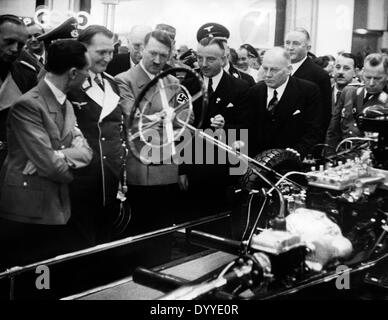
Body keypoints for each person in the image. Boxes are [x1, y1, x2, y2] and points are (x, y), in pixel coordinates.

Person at [0, 39, 93, 268]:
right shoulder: (28, 105)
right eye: (86, 70)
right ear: (73, 73)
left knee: (47, 277)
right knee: (32, 278)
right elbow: (51, 166)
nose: (88, 75)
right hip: (28, 212)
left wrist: (59, 156)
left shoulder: (66, 104)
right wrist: (68, 163)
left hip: (54, 206)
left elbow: (87, 152)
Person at [67, 25, 125, 247]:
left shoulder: (110, 83)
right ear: (83, 50)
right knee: (78, 246)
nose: (108, 58)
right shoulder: (69, 83)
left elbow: (116, 130)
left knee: (103, 242)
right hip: (79, 182)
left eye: (111, 51)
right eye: (102, 52)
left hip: (109, 180)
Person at [247, 47, 323, 158]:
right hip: (259, 162)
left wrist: (296, 152)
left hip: (292, 162)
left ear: (289, 69)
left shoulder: (307, 91)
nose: (267, 74)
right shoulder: (255, 92)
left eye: (274, 70)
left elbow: (314, 129)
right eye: (265, 68)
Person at [326, 53, 388, 152]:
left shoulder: (385, 101)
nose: (371, 83)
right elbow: (333, 130)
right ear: (362, 73)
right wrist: (329, 156)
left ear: (386, 76)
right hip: (344, 155)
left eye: (377, 78)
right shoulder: (349, 92)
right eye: (368, 77)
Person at [0, 14, 39, 169]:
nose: (15, 49)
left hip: (11, 163)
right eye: (9, 42)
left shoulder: (27, 74)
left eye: (21, 44)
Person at [284, 28, 332, 137]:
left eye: (296, 44)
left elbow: (323, 116)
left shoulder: (319, 75)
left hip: (301, 140)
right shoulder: (277, 70)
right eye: (287, 43)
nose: (290, 48)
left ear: (308, 48)